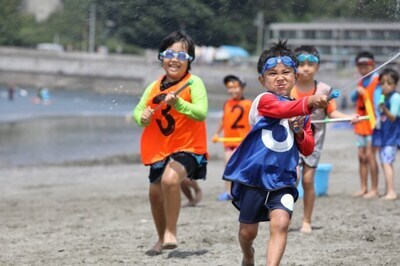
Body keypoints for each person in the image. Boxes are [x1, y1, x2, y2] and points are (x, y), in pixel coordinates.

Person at [222, 40, 329, 266]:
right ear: (262, 79)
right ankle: (248, 254)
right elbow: (280, 109)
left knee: (280, 223)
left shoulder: (301, 111)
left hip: (284, 177)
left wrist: (300, 131)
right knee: (247, 232)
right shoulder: (263, 100)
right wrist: (308, 102)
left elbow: (308, 148)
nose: (280, 77)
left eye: (286, 72)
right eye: (272, 73)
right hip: (254, 177)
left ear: (296, 76)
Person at [132, 31, 208, 255]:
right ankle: (160, 237)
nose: (175, 59)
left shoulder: (194, 83)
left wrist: (180, 105)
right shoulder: (153, 86)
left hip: (189, 147)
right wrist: (142, 117)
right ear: (161, 57)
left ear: (190, 60)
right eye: (169, 54)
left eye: (182, 55)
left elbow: (201, 112)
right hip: (160, 149)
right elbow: (138, 112)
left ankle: (171, 232)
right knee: (155, 196)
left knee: (171, 179)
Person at [290, 45, 359, 233]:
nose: (305, 68)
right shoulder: (289, 87)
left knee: (308, 180)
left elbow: (333, 112)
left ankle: (306, 220)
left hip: (313, 144)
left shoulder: (324, 89)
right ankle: (285, 218)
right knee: (291, 179)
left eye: (310, 64)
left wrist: (349, 117)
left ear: (317, 67)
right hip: (290, 144)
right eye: (301, 64)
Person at [213, 75, 252, 201]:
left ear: (242, 87)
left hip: (243, 142)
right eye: (230, 88)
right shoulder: (227, 103)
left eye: (236, 87)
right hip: (229, 140)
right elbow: (223, 120)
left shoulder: (248, 104)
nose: (233, 90)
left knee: (243, 167)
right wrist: (217, 133)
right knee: (228, 166)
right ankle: (228, 192)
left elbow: (254, 122)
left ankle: (243, 191)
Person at [350, 51, 382, 198]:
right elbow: (352, 98)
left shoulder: (377, 80)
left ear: (372, 65)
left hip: (373, 124)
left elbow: (378, 102)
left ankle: (374, 189)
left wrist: (379, 121)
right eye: (360, 65)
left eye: (366, 65)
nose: (363, 68)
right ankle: (363, 187)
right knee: (361, 156)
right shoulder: (361, 81)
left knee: (370, 156)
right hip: (360, 125)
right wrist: (358, 92)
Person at [376, 68, 400, 200]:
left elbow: (393, 117)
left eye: (389, 83)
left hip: (393, 137)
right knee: (385, 162)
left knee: (386, 162)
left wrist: (384, 108)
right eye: (383, 83)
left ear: (395, 84)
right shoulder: (385, 97)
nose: (385, 86)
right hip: (386, 136)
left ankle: (391, 191)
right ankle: (388, 190)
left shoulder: (395, 97)